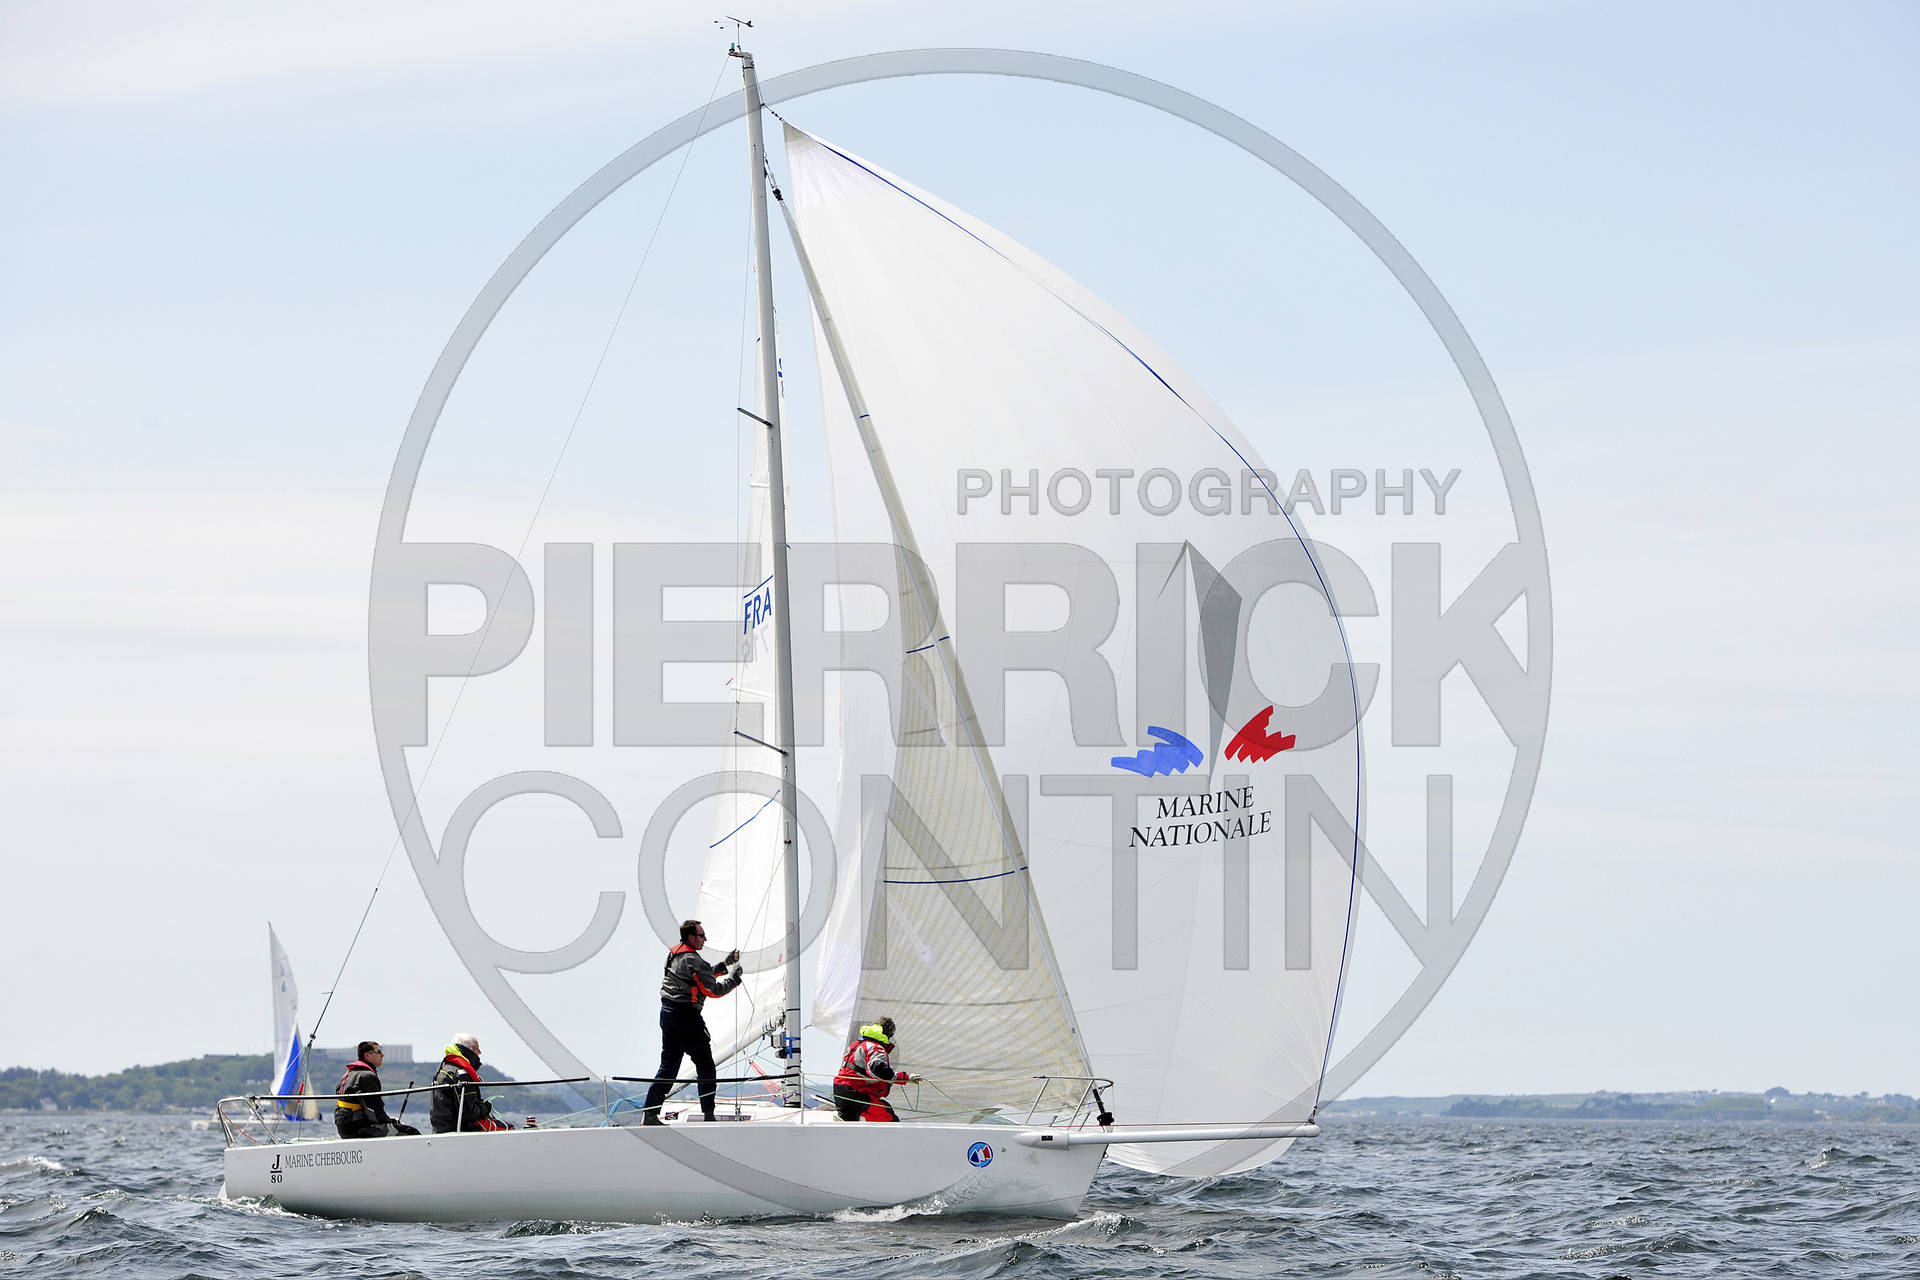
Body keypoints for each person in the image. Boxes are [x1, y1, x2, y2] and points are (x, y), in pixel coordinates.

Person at [639, 920, 743, 1125]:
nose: (705, 939)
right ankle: (709, 1116)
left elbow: (699, 976)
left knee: (668, 1067)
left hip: (667, 1014)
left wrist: (725, 964)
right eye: (702, 936)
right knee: (705, 1065)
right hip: (686, 1017)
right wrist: (734, 980)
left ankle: (650, 1114)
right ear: (691, 937)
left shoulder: (674, 954)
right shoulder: (694, 960)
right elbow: (712, 990)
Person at [833, 1018, 918, 1122]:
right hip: (855, 1093)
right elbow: (877, 1068)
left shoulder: (857, 1044)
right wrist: (901, 1078)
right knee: (888, 1115)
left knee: (875, 1108)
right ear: (888, 1035)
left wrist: (905, 1078)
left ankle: (846, 1118)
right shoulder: (876, 1048)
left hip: (840, 1091)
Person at [429, 1034, 515, 1133]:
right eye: (477, 1048)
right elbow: (470, 1113)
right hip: (464, 1129)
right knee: (509, 1128)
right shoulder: (462, 1074)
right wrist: (486, 1107)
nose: (479, 1052)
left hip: (442, 1129)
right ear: (468, 1050)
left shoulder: (444, 1069)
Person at [333, 1040, 420, 1138]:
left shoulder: (348, 1074)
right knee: (412, 1133)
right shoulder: (367, 1076)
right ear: (368, 1055)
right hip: (360, 1129)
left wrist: (390, 1121)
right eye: (378, 1052)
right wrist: (392, 1122)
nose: (382, 1055)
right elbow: (375, 1111)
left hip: (345, 1129)